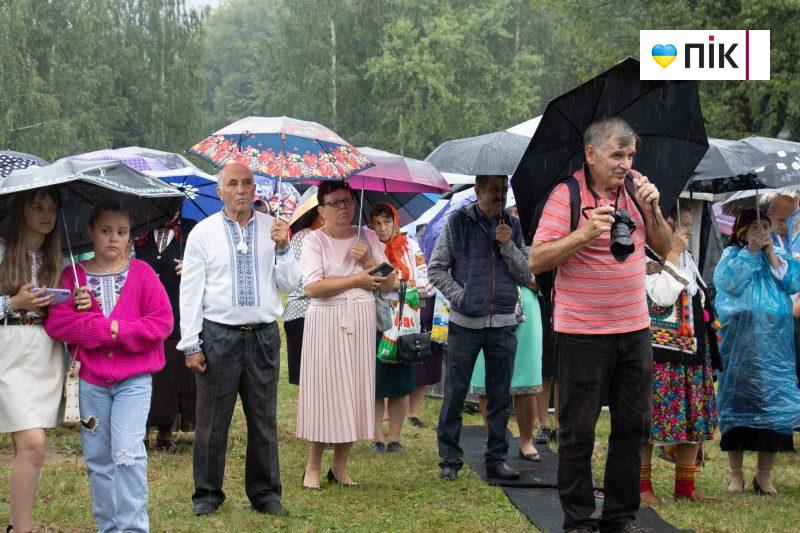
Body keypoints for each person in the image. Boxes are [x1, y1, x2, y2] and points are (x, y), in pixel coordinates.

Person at [530, 117, 672, 532]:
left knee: (633, 427)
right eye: (617, 155)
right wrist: (585, 232)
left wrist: (654, 209)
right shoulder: (567, 195)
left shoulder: (637, 188)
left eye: (630, 155)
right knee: (578, 430)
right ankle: (577, 519)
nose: (626, 163)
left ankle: (620, 516)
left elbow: (665, 249)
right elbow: (537, 259)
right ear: (590, 154)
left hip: (634, 329)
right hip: (581, 334)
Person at [179, 162, 298, 517]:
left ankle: (266, 495)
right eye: (233, 183)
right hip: (219, 336)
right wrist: (191, 343)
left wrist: (284, 247)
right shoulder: (203, 233)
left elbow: (292, 285)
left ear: (255, 189)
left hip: (262, 335)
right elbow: (191, 292)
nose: (242, 189)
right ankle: (207, 495)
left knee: (263, 417)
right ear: (220, 192)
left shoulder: (273, 229)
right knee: (213, 419)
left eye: (247, 182)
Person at [45, 202, 172, 533]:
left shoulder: (142, 273)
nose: (114, 239)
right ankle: (109, 527)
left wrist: (118, 329)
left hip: (134, 382)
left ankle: (132, 528)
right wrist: (95, 325)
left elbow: (162, 323)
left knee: (128, 453)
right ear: (91, 232)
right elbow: (58, 325)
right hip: (91, 384)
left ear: (130, 234)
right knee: (97, 458)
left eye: (122, 232)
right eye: (106, 231)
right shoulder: (73, 277)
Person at [428, 174, 531, 482]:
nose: (499, 196)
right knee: (455, 394)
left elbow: (525, 271)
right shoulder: (458, 222)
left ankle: (497, 459)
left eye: (503, 190)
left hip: (503, 323)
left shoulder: (512, 225)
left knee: (501, 396)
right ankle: (449, 459)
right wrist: (462, 296)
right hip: (464, 324)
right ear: (478, 190)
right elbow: (436, 268)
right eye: (493, 190)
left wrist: (507, 245)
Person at [297, 181, 395, 489]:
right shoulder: (314, 240)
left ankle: (339, 466)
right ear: (322, 209)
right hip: (326, 318)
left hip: (361, 318)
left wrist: (368, 260)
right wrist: (357, 278)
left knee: (355, 389)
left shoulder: (366, 236)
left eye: (348, 201)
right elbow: (313, 287)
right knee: (323, 390)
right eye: (336, 202)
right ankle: (312, 466)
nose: (343, 208)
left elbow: (389, 282)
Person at [713, 208, 800, 495]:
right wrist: (751, 254)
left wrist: (772, 256)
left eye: (766, 225)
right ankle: (735, 475)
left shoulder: (781, 257)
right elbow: (729, 284)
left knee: (772, 407)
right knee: (738, 403)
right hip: (740, 343)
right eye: (755, 227)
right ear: (741, 231)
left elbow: (794, 283)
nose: (762, 231)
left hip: (775, 346)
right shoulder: (732, 256)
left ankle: (764, 476)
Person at [639, 206, 719, 506]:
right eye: (680, 225)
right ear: (662, 224)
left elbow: (697, 292)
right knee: (650, 417)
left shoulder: (686, 256)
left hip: (691, 348)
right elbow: (661, 296)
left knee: (691, 415)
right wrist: (671, 253)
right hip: (658, 352)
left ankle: (685, 485)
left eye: (689, 226)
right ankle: (642, 486)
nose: (686, 232)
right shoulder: (643, 255)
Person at [0, 188, 63, 533]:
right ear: (20, 209)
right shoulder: (1, 251)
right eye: (38, 206)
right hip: (8, 348)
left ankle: (16, 527)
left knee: (26, 445)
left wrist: (73, 302)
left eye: (52, 208)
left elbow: (65, 317)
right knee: (34, 443)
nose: (47, 214)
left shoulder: (57, 258)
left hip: (44, 351)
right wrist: (13, 302)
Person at [369, 203, 431, 453]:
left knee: (401, 383)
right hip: (376, 323)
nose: (383, 228)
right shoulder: (369, 249)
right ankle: (376, 438)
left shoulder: (411, 247)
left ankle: (395, 438)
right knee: (376, 382)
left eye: (387, 222)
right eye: (377, 223)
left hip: (406, 326)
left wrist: (396, 283)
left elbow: (426, 284)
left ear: (396, 223)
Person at [134, 213, 197, 452]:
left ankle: (165, 432)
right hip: (143, 315)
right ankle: (141, 432)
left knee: (171, 375)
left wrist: (192, 268)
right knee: (144, 375)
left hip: (177, 314)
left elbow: (209, 264)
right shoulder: (139, 233)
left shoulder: (191, 232)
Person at [470, 279, 543, 461]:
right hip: (485, 299)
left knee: (527, 374)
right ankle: (493, 440)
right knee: (485, 375)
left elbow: (541, 271)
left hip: (525, 298)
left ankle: (526, 441)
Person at [283, 208, 324, 386]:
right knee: (309, 380)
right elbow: (304, 280)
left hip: (317, 313)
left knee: (321, 379)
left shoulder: (324, 237)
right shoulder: (304, 237)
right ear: (321, 213)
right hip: (302, 314)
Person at [534, 296, 559, 446]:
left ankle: (559, 426)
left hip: (565, 300)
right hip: (541, 301)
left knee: (562, 371)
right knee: (543, 368)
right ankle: (543, 425)